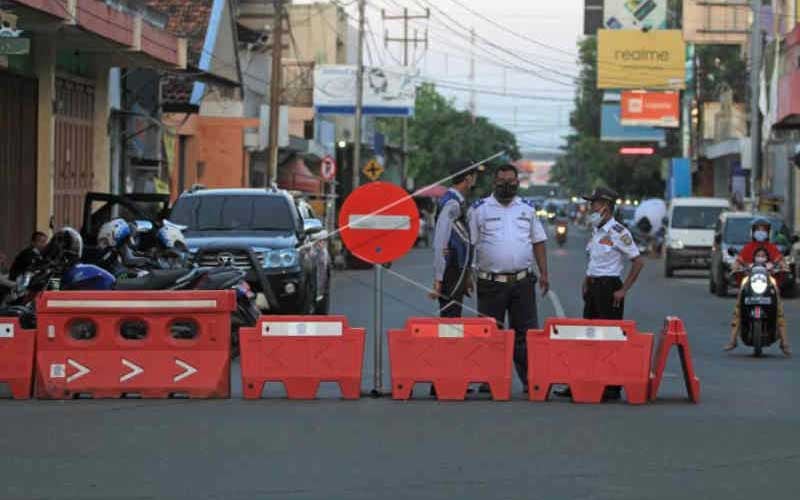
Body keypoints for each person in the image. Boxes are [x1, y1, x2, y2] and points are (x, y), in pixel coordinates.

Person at [557, 187, 645, 400]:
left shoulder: (618, 232)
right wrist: (587, 279)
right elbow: (595, 260)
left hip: (609, 288)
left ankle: (612, 386)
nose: (590, 208)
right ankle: (585, 381)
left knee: (610, 338)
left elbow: (638, 262)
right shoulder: (597, 231)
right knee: (589, 336)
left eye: (594, 204)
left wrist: (623, 290)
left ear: (605, 206)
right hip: (594, 286)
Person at [469, 164, 549, 392]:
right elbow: (470, 245)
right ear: (494, 183)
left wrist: (544, 273)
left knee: (525, 335)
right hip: (490, 283)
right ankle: (489, 380)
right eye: (502, 181)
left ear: (517, 182)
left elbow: (538, 242)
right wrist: (467, 275)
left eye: (511, 181)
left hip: (522, 282)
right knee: (490, 334)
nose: (507, 185)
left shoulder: (527, 209)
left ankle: (529, 381)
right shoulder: (480, 210)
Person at [724, 219, 790, 355]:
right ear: (753, 231)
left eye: (764, 229)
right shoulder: (747, 248)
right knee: (738, 307)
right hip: (750, 279)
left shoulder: (772, 248)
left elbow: (782, 262)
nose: (761, 232)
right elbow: (737, 262)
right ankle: (733, 339)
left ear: (768, 232)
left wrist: (783, 267)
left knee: (779, 309)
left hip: (768, 280)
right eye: (758, 229)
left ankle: (784, 343)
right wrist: (735, 268)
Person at [430, 159, 478, 317]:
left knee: (453, 317)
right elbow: (440, 241)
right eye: (474, 175)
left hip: (458, 269)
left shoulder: (458, 201)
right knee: (450, 320)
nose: (475, 179)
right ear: (468, 179)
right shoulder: (452, 203)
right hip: (451, 271)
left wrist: (468, 273)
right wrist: (438, 279)